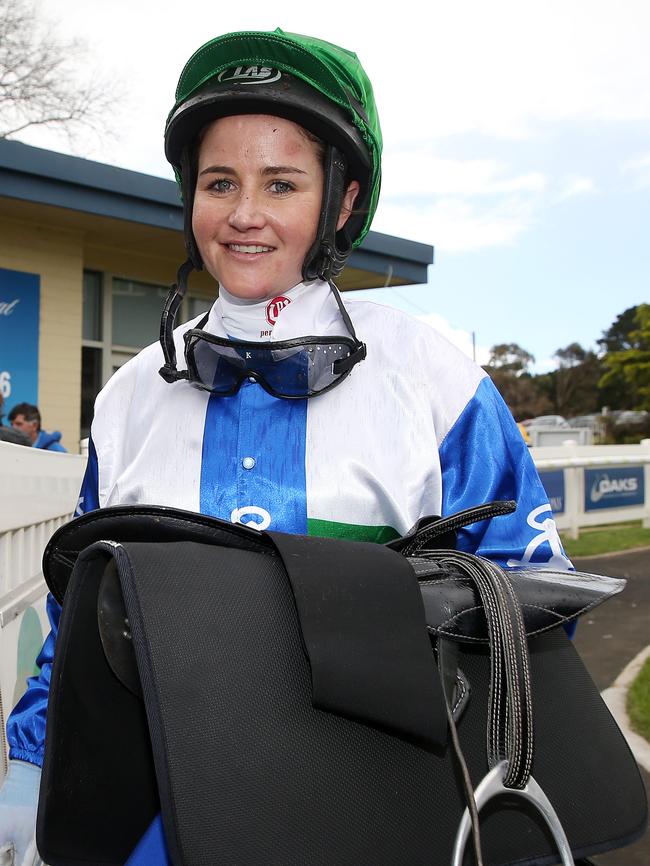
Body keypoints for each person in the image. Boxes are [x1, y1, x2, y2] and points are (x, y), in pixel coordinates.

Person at [0, 28, 570, 865]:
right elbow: (82, 618)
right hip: (156, 816)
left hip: (383, 815)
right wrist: (31, 758)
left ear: (341, 202)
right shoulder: (127, 396)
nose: (243, 214)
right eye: (218, 182)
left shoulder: (436, 380)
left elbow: (536, 608)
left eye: (282, 183)